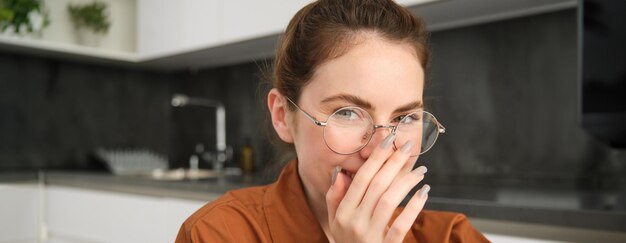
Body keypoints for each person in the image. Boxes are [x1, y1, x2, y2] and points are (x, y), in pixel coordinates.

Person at [176, 0, 489, 242]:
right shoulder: (217, 233)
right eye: (348, 113)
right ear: (283, 115)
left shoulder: (452, 237)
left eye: (405, 117)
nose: (379, 149)